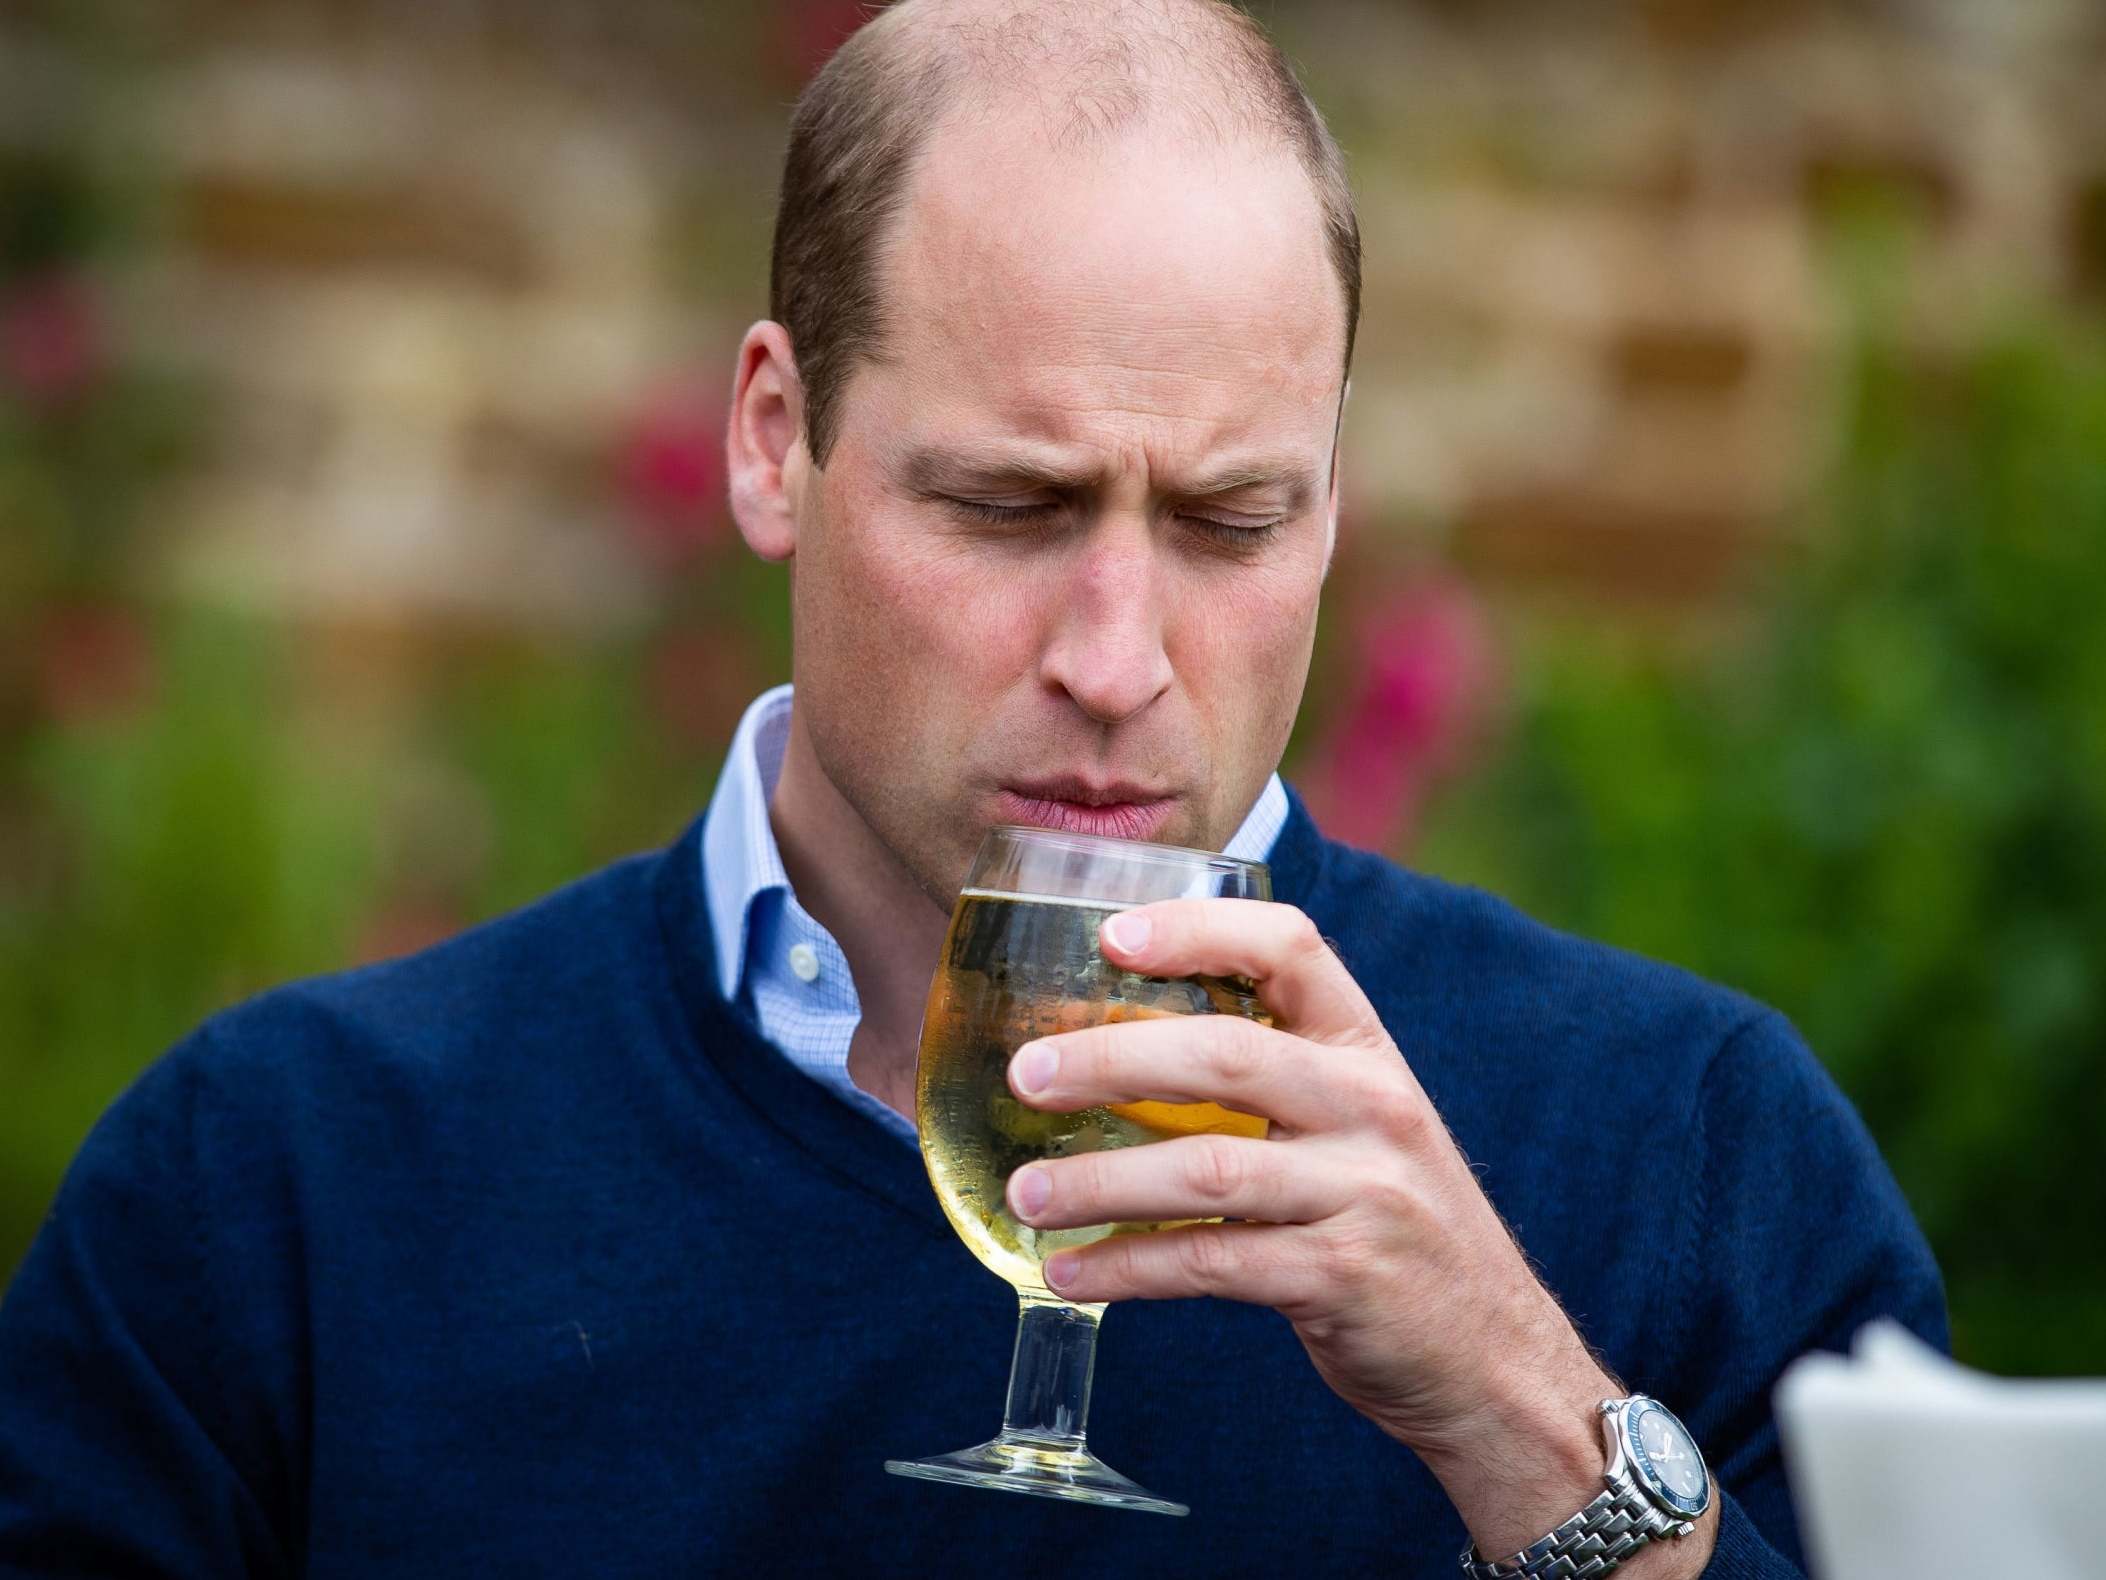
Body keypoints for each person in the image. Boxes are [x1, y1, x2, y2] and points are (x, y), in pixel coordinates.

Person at [0, 1, 1942, 1575]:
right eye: (1010, 505)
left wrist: (1530, 1428)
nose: (1118, 651)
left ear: (1333, 505)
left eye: (1232, 518)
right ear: (776, 443)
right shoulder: (277, 1198)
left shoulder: (1693, 1156)